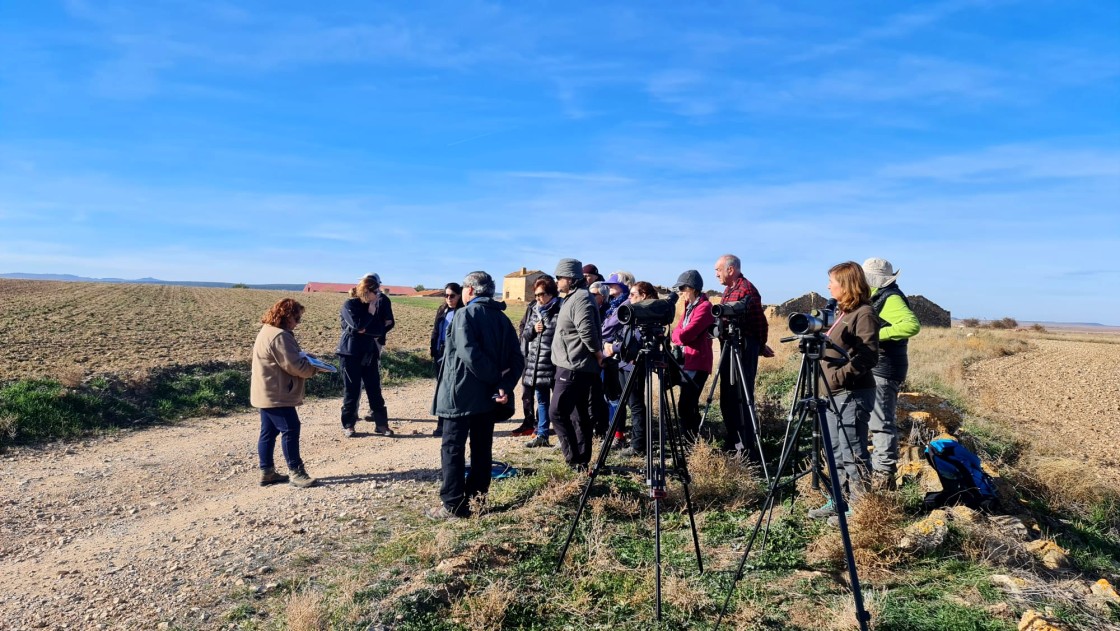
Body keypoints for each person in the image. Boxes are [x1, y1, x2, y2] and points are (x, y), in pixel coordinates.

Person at [428, 271, 524, 519]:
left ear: (470, 290)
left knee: (452, 448)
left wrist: (496, 380)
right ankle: (477, 500)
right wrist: (503, 384)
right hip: (488, 398)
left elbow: (469, 353)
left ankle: (452, 504)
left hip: (460, 395)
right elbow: (517, 359)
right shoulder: (502, 319)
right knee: (482, 448)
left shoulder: (464, 315)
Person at [808, 261, 880, 525]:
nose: (828, 286)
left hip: (852, 393)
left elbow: (868, 356)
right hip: (832, 394)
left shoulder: (864, 314)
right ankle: (839, 500)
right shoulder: (841, 313)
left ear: (846, 284)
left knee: (853, 450)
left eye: (832, 281)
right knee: (835, 450)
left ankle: (860, 508)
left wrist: (838, 377)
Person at [251, 298, 323, 488]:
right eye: (296, 318)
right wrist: (315, 368)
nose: (298, 322)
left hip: (266, 390)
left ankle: (267, 472)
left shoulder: (267, 330)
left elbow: (287, 358)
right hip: (278, 392)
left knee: (269, 431)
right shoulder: (280, 336)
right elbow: (294, 366)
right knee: (291, 428)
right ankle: (296, 472)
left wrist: (305, 357)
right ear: (285, 316)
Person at [862, 258, 920, 490]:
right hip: (878, 367)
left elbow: (911, 325)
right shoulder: (878, 295)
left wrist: (875, 335)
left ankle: (883, 478)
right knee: (875, 421)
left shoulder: (891, 297)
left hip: (885, 369)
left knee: (881, 422)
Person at [712, 254, 772, 457]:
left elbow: (759, 322)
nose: (716, 274)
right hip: (729, 346)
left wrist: (759, 345)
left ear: (731, 269)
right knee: (727, 397)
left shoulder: (746, 289)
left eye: (718, 270)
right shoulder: (729, 290)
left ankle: (745, 447)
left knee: (741, 396)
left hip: (744, 347)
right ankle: (732, 441)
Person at [549, 258, 604, 471]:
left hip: (574, 366)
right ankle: (581, 460)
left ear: (570, 279)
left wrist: (598, 355)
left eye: (559, 278)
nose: (557, 282)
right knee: (578, 414)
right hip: (572, 365)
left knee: (557, 412)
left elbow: (588, 332)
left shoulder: (580, 299)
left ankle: (574, 459)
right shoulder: (573, 297)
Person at [337, 274, 395, 437]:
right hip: (350, 353)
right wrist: (369, 314)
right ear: (366, 291)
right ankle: (348, 424)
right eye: (376, 291)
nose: (378, 295)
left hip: (369, 352)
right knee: (352, 390)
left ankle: (382, 425)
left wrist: (364, 327)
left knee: (374, 389)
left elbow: (379, 329)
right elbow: (357, 325)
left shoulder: (375, 305)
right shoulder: (350, 305)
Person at [608, 281, 656, 457]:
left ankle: (638, 446)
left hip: (634, 363)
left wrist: (614, 348)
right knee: (627, 402)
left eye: (633, 294)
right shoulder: (634, 312)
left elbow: (636, 341)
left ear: (643, 296)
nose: (629, 298)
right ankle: (633, 441)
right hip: (624, 362)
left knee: (635, 405)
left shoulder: (647, 315)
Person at [670, 270, 715, 443]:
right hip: (687, 361)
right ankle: (692, 440)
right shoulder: (690, 307)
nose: (680, 292)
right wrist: (678, 335)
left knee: (686, 405)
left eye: (682, 288)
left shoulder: (705, 307)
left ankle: (690, 441)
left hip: (697, 362)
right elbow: (677, 332)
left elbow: (684, 335)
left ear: (693, 288)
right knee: (689, 404)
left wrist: (679, 335)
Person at [521, 277, 562, 448]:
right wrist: (533, 329)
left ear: (551, 293)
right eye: (536, 294)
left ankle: (563, 437)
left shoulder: (561, 309)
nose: (537, 298)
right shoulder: (533, 309)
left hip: (556, 363)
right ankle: (542, 435)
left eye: (541, 294)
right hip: (537, 363)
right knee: (542, 401)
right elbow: (525, 334)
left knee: (559, 404)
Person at [428, 282, 463, 437]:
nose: (449, 298)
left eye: (452, 296)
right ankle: (443, 424)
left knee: (451, 390)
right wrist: (433, 349)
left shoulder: (463, 312)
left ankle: (447, 425)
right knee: (442, 389)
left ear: (460, 295)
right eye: (446, 295)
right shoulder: (442, 309)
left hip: (454, 355)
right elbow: (436, 330)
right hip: (440, 353)